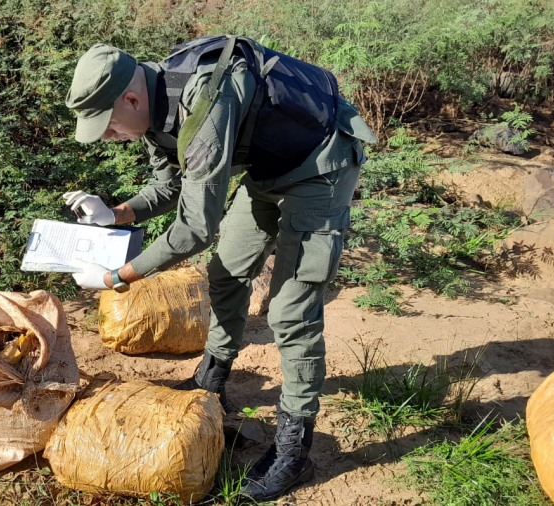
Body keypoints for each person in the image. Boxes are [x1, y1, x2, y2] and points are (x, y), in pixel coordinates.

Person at [61, 35, 376, 501]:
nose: (109, 138)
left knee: (291, 309)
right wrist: (116, 212)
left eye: (107, 127)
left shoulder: (203, 101)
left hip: (321, 163)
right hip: (268, 168)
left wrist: (114, 278)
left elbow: (193, 228)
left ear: (130, 98)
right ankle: (213, 378)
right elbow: (169, 186)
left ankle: (294, 449)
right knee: (226, 272)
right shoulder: (154, 106)